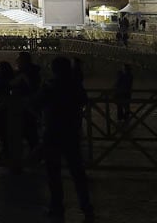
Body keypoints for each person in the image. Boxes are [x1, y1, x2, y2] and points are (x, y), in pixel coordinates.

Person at [40, 57, 93, 220]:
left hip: (53, 134)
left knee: (54, 174)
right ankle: (86, 207)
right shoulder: (75, 85)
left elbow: (35, 103)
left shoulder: (50, 86)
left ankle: (57, 207)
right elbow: (84, 100)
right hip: (71, 134)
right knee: (77, 173)